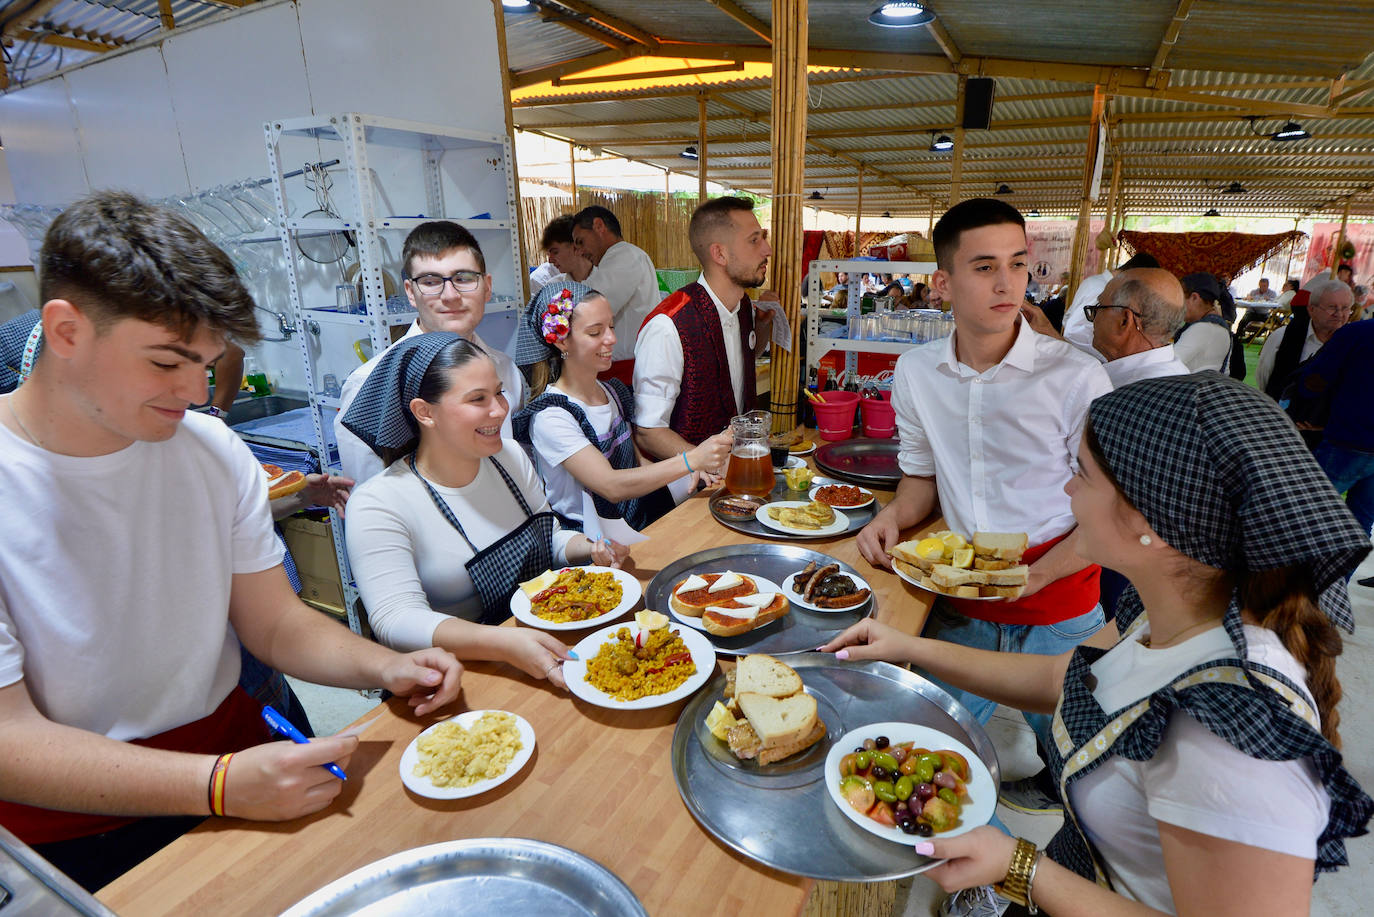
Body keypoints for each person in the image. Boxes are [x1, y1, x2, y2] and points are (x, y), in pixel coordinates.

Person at [0, 191, 462, 892]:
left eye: (209, 362)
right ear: (65, 331)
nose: (193, 391)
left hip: (239, 754)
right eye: (165, 363)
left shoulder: (208, 447)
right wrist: (215, 784)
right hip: (77, 820)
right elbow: (11, 737)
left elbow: (271, 621)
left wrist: (389, 664)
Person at [825, 374, 1373, 917]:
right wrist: (907, 646)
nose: (1067, 492)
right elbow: (1062, 680)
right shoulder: (1174, 612)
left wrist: (1020, 867)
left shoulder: (1227, 733)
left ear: (1149, 521)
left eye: (1080, 475)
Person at [855, 198, 1112, 835]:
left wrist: (1039, 577)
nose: (1007, 283)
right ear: (942, 283)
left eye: (1018, 264)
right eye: (984, 266)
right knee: (921, 757)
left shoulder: (1076, 377)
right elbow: (920, 478)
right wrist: (892, 517)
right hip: (961, 602)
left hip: (1062, 604)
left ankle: (1076, 855)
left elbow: (1109, 509)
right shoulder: (915, 372)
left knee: (1088, 758)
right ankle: (978, 884)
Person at [341, 333, 626, 683]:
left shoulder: (508, 457)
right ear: (424, 412)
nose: (500, 410)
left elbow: (546, 538)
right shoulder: (379, 503)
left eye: (499, 392)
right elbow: (395, 619)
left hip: (537, 646)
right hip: (456, 675)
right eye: (478, 399)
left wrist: (590, 547)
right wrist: (503, 643)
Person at [511, 282, 731, 535]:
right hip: (594, 544)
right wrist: (690, 460)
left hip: (634, 522)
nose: (612, 339)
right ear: (562, 341)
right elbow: (611, 486)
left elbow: (637, 464)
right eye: (595, 332)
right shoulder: (551, 416)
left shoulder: (610, 392)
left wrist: (687, 475)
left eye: (611, 327)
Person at [335, 221, 526, 486]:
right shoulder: (371, 383)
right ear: (411, 293)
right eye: (431, 281)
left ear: (487, 286)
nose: (450, 295)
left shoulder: (505, 369)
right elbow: (368, 497)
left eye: (463, 279)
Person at [634, 196, 773, 459]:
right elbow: (648, 432)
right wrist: (715, 466)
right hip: (683, 491)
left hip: (737, 472)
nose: (767, 249)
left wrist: (763, 326)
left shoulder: (743, 307)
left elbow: (738, 361)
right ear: (719, 253)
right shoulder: (669, 325)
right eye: (754, 240)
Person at [1288, 317, 1374, 540]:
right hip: (1352, 437)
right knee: (1360, 521)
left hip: (1349, 440)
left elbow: (1315, 380)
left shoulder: (1357, 332)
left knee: (1304, 516)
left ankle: (1295, 575)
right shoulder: (1357, 332)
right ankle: (1337, 576)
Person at [571, 205, 659, 382]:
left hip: (625, 369)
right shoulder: (617, 258)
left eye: (580, 242)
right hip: (621, 366)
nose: (579, 252)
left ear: (598, 226)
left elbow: (591, 310)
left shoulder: (625, 256)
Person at [1257, 278, 1353, 396]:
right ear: (1311, 309)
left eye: (1345, 308)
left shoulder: (1355, 342)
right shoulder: (1282, 336)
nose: (1339, 314)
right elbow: (1264, 379)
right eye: (1332, 307)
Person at [1060, 252, 1161, 360]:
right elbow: (1074, 331)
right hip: (1082, 359)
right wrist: (1108, 357)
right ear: (1135, 274)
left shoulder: (1096, 281)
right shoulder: (1102, 288)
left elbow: (1068, 318)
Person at [1173, 271, 1233, 373]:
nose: (1177, 305)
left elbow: (1169, 365)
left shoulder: (1202, 329)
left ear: (1194, 298)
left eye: (1179, 298)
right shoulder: (1217, 326)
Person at [530, 214, 594, 289]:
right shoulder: (553, 288)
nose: (550, 261)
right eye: (549, 254)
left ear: (576, 246)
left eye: (555, 252)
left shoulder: (608, 278)